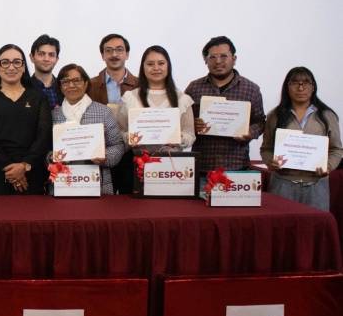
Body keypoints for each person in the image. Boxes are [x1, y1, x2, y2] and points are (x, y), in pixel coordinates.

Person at [261, 67, 342, 211]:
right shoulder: (275, 115)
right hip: (282, 184)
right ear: (287, 87)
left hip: (316, 186)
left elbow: (336, 149)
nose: (300, 87)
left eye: (306, 83)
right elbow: (266, 149)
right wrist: (270, 162)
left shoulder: (327, 116)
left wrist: (327, 166)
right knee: (281, 230)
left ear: (313, 87)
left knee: (315, 230)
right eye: (295, 83)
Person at [0, 44, 51, 195]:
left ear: (23, 67)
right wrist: (11, 168)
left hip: (31, 172)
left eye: (17, 62)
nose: (11, 67)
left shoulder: (38, 97)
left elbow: (44, 136)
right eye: (5, 62)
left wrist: (24, 166)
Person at [185, 36, 265, 176]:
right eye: (212, 57)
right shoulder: (194, 88)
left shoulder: (251, 89)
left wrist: (249, 132)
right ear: (205, 60)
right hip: (202, 168)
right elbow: (183, 121)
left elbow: (260, 122)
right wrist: (193, 125)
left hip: (236, 167)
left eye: (224, 56)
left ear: (234, 59)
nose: (218, 61)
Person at [51, 64, 125, 194]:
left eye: (76, 80)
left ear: (86, 83)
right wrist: (52, 157)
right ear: (60, 87)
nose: (71, 85)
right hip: (62, 183)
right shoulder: (53, 115)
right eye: (65, 82)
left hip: (98, 183)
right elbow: (45, 149)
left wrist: (105, 157)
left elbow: (118, 145)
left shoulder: (103, 112)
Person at [117, 46, 195, 153]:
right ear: (143, 67)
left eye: (161, 63)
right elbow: (120, 132)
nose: (156, 68)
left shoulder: (182, 99)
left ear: (168, 66)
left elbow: (190, 134)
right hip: (139, 164)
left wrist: (178, 139)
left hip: (172, 166)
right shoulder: (129, 98)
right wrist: (131, 138)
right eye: (150, 64)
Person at [87, 33, 139, 194]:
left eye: (119, 50)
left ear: (127, 54)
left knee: (130, 205)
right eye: (108, 50)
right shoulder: (90, 85)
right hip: (100, 154)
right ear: (102, 55)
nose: (114, 54)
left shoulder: (140, 85)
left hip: (133, 153)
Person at [29, 34, 62, 109]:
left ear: (56, 60)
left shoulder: (64, 87)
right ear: (32, 57)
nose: (46, 59)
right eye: (41, 54)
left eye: (51, 55)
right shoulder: (24, 88)